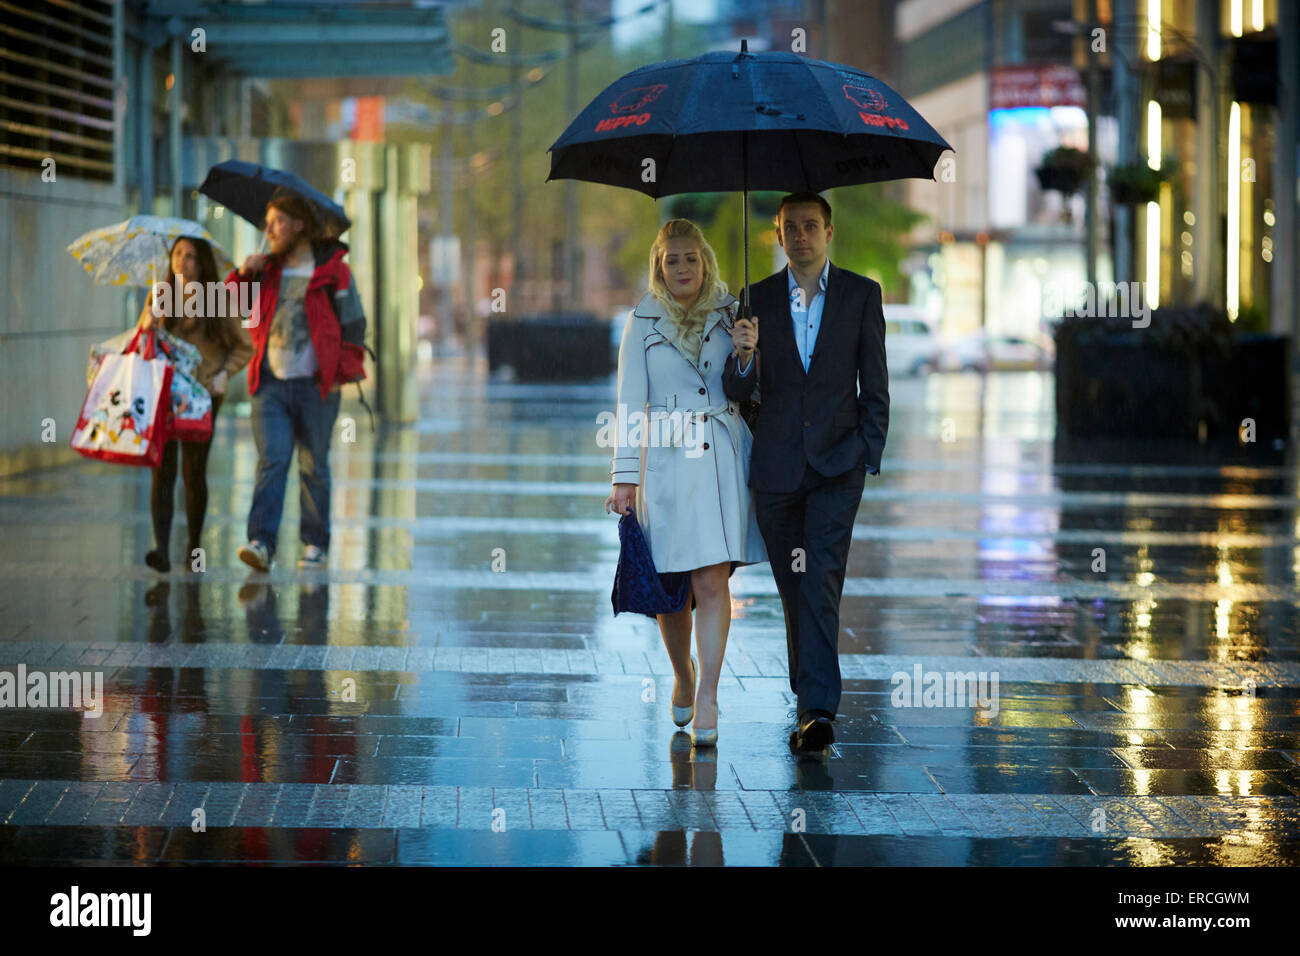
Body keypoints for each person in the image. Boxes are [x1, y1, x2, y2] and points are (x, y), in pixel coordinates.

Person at [721, 191, 889, 755]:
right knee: (793, 589)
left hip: (838, 467)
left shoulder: (863, 296)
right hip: (776, 470)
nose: (801, 235)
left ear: (829, 232)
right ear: (778, 235)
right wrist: (744, 355)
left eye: (810, 225)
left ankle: (818, 708)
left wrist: (868, 450)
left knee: (820, 580)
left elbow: (876, 386)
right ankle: (807, 701)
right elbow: (738, 393)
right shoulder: (755, 299)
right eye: (790, 227)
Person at [604, 219, 767, 747]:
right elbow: (629, 402)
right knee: (671, 593)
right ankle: (683, 672)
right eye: (672, 260)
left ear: (706, 262)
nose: (682, 269)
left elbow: (748, 389)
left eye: (691, 259)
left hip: (720, 456)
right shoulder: (642, 320)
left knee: (711, 582)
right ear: (659, 265)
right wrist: (624, 478)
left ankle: (709, 696)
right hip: (666, 463)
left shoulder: (731, 313)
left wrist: (746, 352)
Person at [226, 189, 367, 571]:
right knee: (273, 459)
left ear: (299, 225)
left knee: (313, 465)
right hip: (269, 385)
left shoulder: (333, 270)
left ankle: (315, 542)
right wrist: (243, 276)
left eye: (277, 222)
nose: (268, 229)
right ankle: (261, 542)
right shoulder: (266, 269)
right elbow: (229, 308)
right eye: (267, 222)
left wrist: (342, 375)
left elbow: (354, 325)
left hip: (316, 386)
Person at [138, 236, 254, 573]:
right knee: (162, 470)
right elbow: (143, 339)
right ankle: (161, 549)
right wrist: (148, 322)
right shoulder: (160, 294)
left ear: (202, 264)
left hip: (202, 395)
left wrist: (224, 374)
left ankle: (194, 546)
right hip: (163, 392)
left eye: (190, 256)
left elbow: (243, 346)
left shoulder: (218, 299)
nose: (183, 261)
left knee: (193, 471)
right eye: (177, 254)